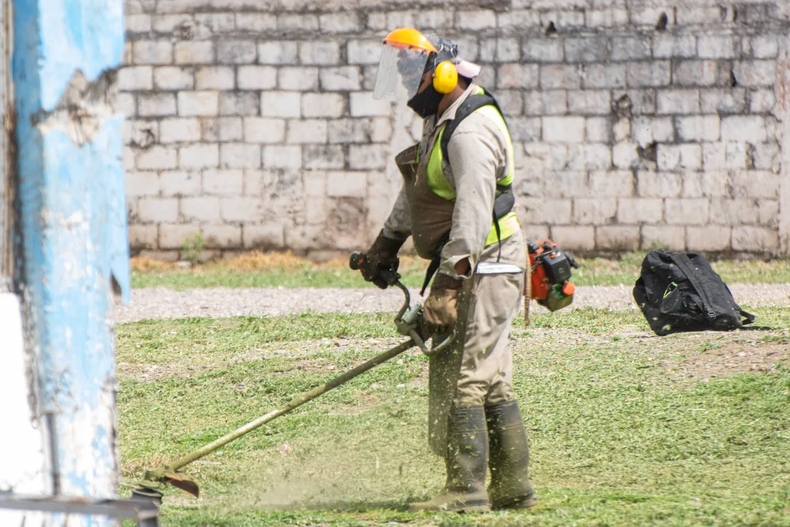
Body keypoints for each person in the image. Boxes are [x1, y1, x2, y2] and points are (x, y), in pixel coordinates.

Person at [359, 28, 536, 513]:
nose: (405, 86)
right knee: (491, 376)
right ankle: (512, 488)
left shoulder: (471, 131)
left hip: (487, 263)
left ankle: (465, 489)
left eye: (409, 74)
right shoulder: (442, 120)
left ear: (441, 73)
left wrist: (449, 284)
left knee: (463, 376)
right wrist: (385, 244)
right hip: (481, 261)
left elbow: (474, 214)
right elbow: (418, 189)